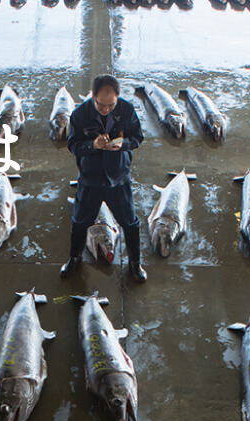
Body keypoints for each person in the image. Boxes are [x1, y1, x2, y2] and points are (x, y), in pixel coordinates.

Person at [61, 75, 147, 283]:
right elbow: (73, 145)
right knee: (80, 222)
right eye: (100, 104)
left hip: (119, 178)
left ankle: (135, 263)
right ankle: (74, 258)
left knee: (130, 222)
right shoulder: (80, 115)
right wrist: (93, 145)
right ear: (92, 97)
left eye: (111, 104)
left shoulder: (126, 110)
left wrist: (123, 144)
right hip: (91, 179)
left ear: (117, 98)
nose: (106, 109)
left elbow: (137, 138)